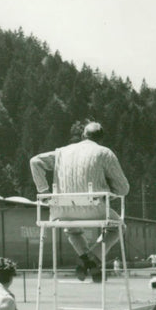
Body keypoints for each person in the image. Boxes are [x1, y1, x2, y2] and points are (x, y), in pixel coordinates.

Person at [29, 121, 130, 283]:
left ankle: (85, 257)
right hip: (94, 207)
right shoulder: (104, 153)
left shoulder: (62, 152)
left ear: (83, 135)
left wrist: (44, 192)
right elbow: (123, 188)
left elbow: (35, 161)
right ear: (100, 139)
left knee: (72, 229)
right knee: (118, 227)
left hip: (62, 209)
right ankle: (92, 257)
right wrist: (109, 193)